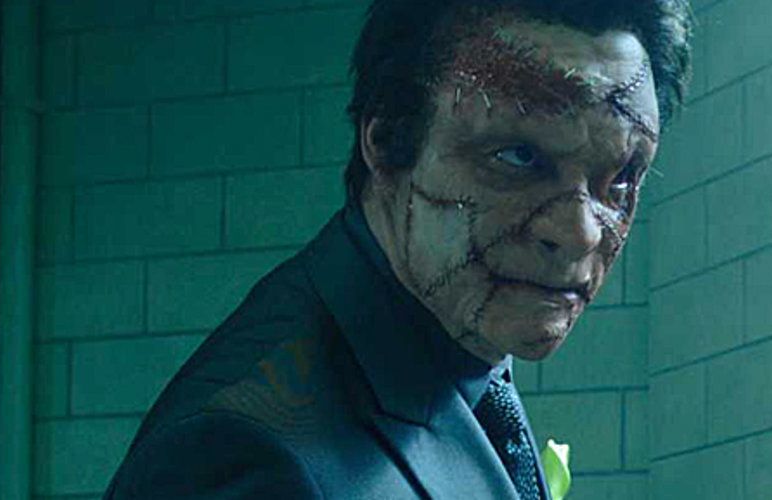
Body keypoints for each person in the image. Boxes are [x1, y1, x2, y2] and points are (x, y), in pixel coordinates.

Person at [103, 0, 691, 498]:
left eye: (622, 178)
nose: (582, 232)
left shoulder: (460, 354)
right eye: (519, 157)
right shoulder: (247, 449)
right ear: (386, 141)